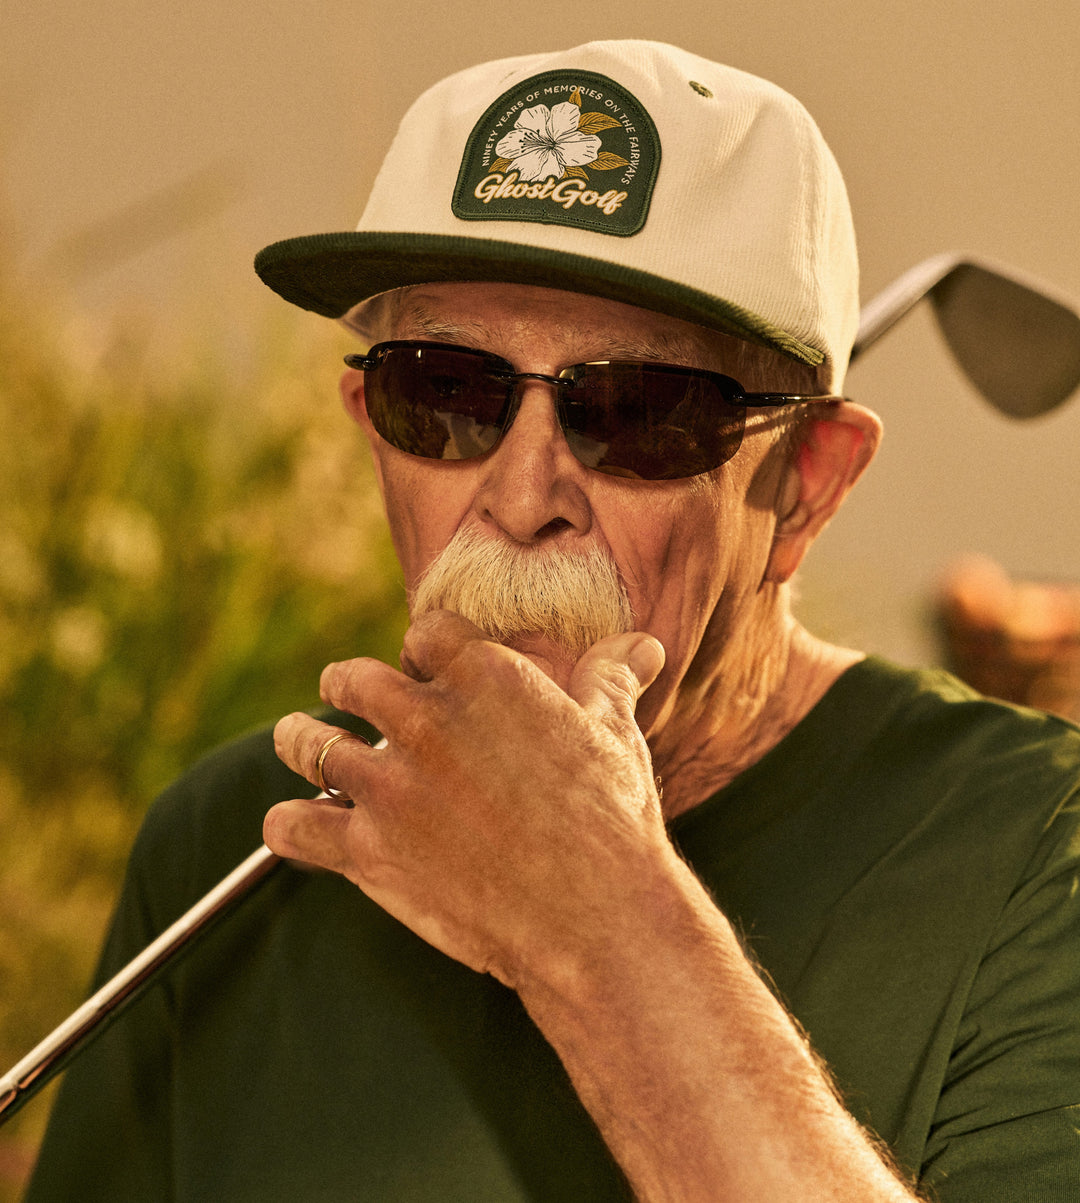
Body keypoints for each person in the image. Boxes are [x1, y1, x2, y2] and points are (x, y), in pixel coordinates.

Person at [26, 40, 1080, 1202]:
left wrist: (601, 927)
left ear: (808, 486)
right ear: (368, 423)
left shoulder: (1040, 852)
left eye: (638, 410)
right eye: (445, 391)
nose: (523, 497)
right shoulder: (228, 842)